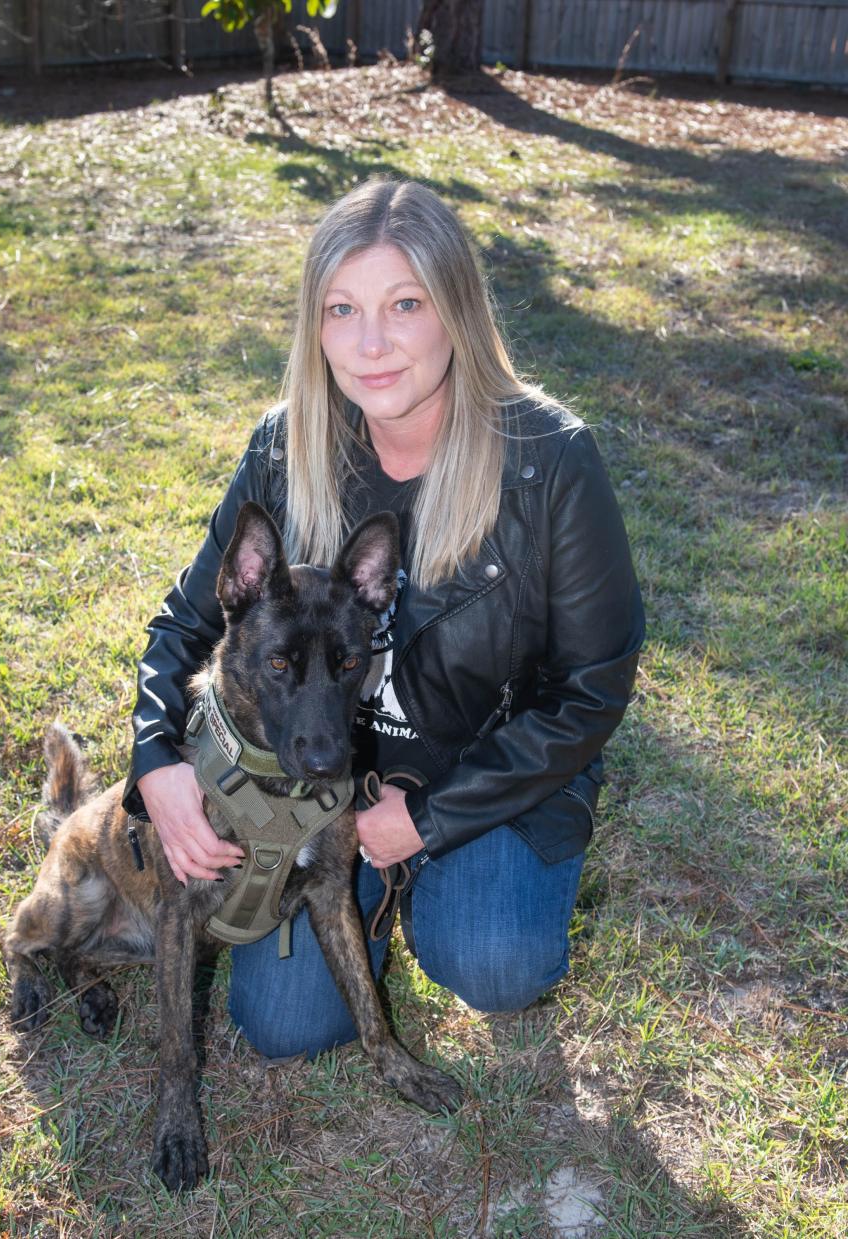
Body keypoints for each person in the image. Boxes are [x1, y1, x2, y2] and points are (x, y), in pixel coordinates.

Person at [123, 179, 644, 1059]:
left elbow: (590, 691)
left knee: (494, 957)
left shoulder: (549, 463)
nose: (371, 343)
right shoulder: (287, 447)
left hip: (479, 775)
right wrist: (155, 760)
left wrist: (428, 819)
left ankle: (423, 883)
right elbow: (183, 623)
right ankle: (358, 890)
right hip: (308, 781)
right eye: (342, 309)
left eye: (404, 303)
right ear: (314, 326)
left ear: (456, 310)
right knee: (285, 1026)